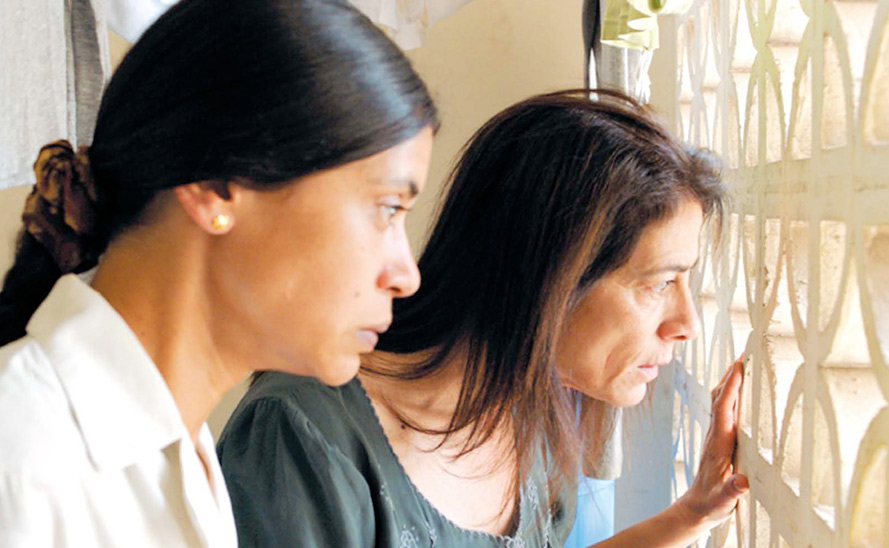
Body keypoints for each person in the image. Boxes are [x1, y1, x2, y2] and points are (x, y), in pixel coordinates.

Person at [217, 89, 746, 547]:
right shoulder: (304, 437)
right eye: (659, 283)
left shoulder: (529, 415)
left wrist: (691, 515)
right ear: (549, 276)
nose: (686, 323)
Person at [0, 0, 437, 546]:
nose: (406, 275)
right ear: (216, 186)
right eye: (387, 208)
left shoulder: (185, 455)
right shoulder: (23, 460)